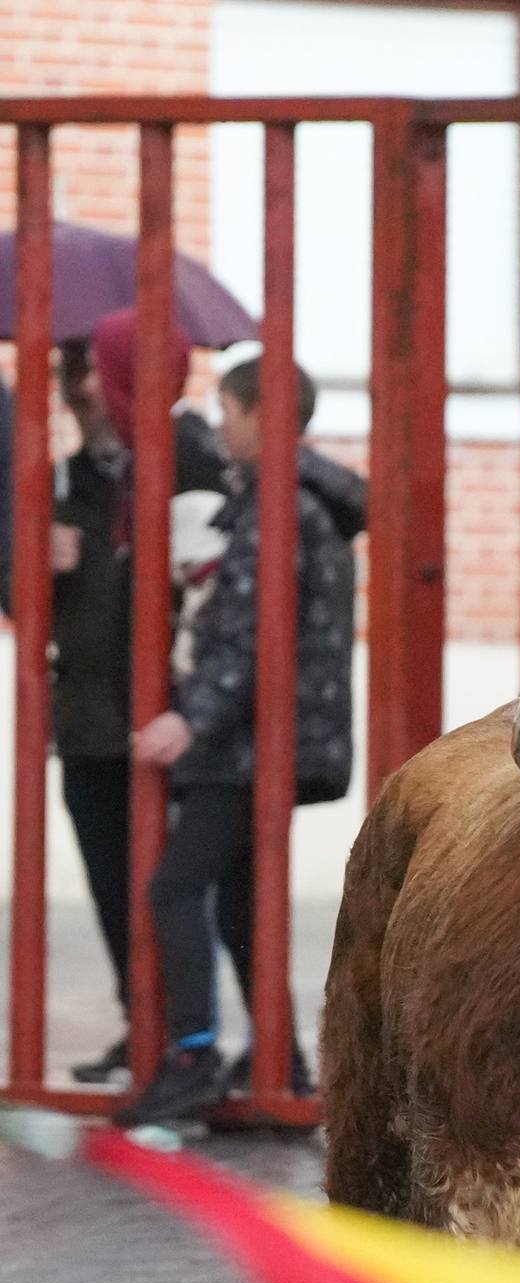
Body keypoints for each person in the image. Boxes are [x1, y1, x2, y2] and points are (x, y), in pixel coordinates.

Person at [110, 352, 359, 1131]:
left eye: (228, 410)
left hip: (253, 742)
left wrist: (188, 718)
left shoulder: (278, 507)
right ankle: (280, 1062)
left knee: (176, 887)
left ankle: (192, 1057)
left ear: (263, 414)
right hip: (276, 736)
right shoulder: (291, 501)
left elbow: (250, 635)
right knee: (245, 905)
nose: (219, 426)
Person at [50, 323, 229, 1085]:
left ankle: (185, 1040)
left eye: (93, 370)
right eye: (70, 371)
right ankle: (143, 1024)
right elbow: (25, 601)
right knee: (113, 886)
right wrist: (32, 563)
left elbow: (207, 585)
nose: (81, 387)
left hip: (163, 718)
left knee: (172, 889)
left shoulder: (188, 457)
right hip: (89, 716)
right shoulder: (67, 480)